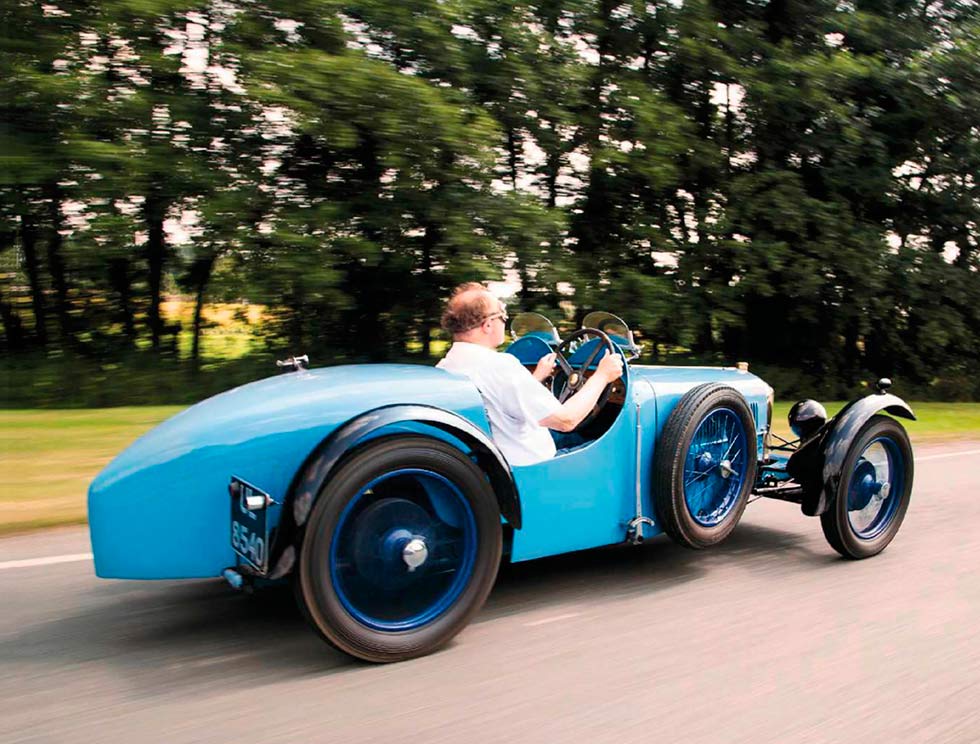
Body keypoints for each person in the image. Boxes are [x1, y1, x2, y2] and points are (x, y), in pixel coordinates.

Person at [436, 282, 624, 466]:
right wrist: (602, 375)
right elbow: (566, 420)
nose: (504, 321)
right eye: (502, 315)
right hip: (535, 465)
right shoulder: (500, 366)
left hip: (487, 462)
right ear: (487, 325)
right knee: (613, 446)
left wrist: (535, 379)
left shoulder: (445, 366)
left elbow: (500, 400)